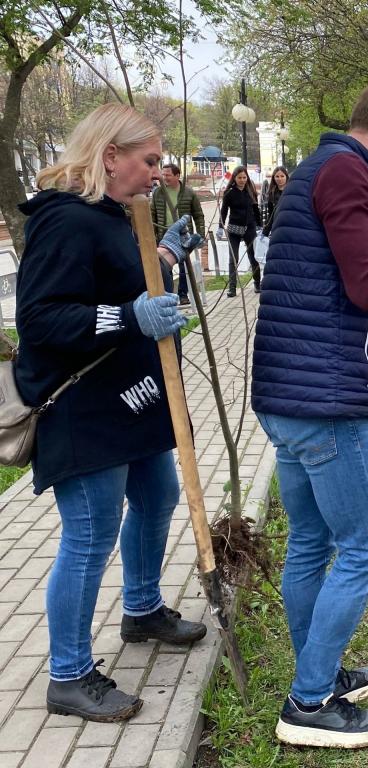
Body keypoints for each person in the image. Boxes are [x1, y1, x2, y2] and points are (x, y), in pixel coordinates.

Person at [251, 80, 368, 750]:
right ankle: (308, 702)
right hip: (327, 409)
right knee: (367, 546)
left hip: (293, 397)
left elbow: (330, 308)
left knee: (311, 542)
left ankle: (321, 673)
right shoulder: (347, 173)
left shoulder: (321, 172)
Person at [14, 103, 207, 722]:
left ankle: (143, 609)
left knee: (157, 497)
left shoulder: (112, 215)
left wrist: (167, 261)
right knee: (90, 533)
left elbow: (122, 282)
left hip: (129, 400)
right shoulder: (64, 220)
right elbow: (41, 319)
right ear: (108, 156)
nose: (158, 172)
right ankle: (68, 674)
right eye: (149, 160)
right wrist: (129, 318)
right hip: (84, 409)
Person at [151, 162, 206, 305]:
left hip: (183, 238)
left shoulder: (189, 193)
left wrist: (200, 234)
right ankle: (168, 295)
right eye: (163, 175)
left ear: (177, 175)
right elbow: (153, 214)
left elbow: (198, 215)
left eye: (168, 175)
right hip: (163, 236)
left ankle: (183, 295)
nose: (164, 178)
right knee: (164, 268)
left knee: (184, 268)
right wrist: (152, 235)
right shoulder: (158, 192)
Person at [217, 166, 262, 296]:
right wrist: (220, 226)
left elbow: (256, 209)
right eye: (239, 178)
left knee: (253, 256)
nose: (242, 180)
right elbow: (224, 210)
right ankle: (232, 287)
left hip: (250, 227)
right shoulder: (229, 192)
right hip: (234, 229)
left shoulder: (250, 190)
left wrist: (259, 225)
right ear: (234, 178)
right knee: (234, 258)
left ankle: (257, 283)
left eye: (244, 177)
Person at [261, 165, 289, 238]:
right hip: (277, 229)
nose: (280, 179)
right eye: (277, 176)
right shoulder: (271, 194)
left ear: (286, 176)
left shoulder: (292, 191)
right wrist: (265, 233)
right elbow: (271, 215)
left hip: (290, 228)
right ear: (273, 178)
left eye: (282, 176)